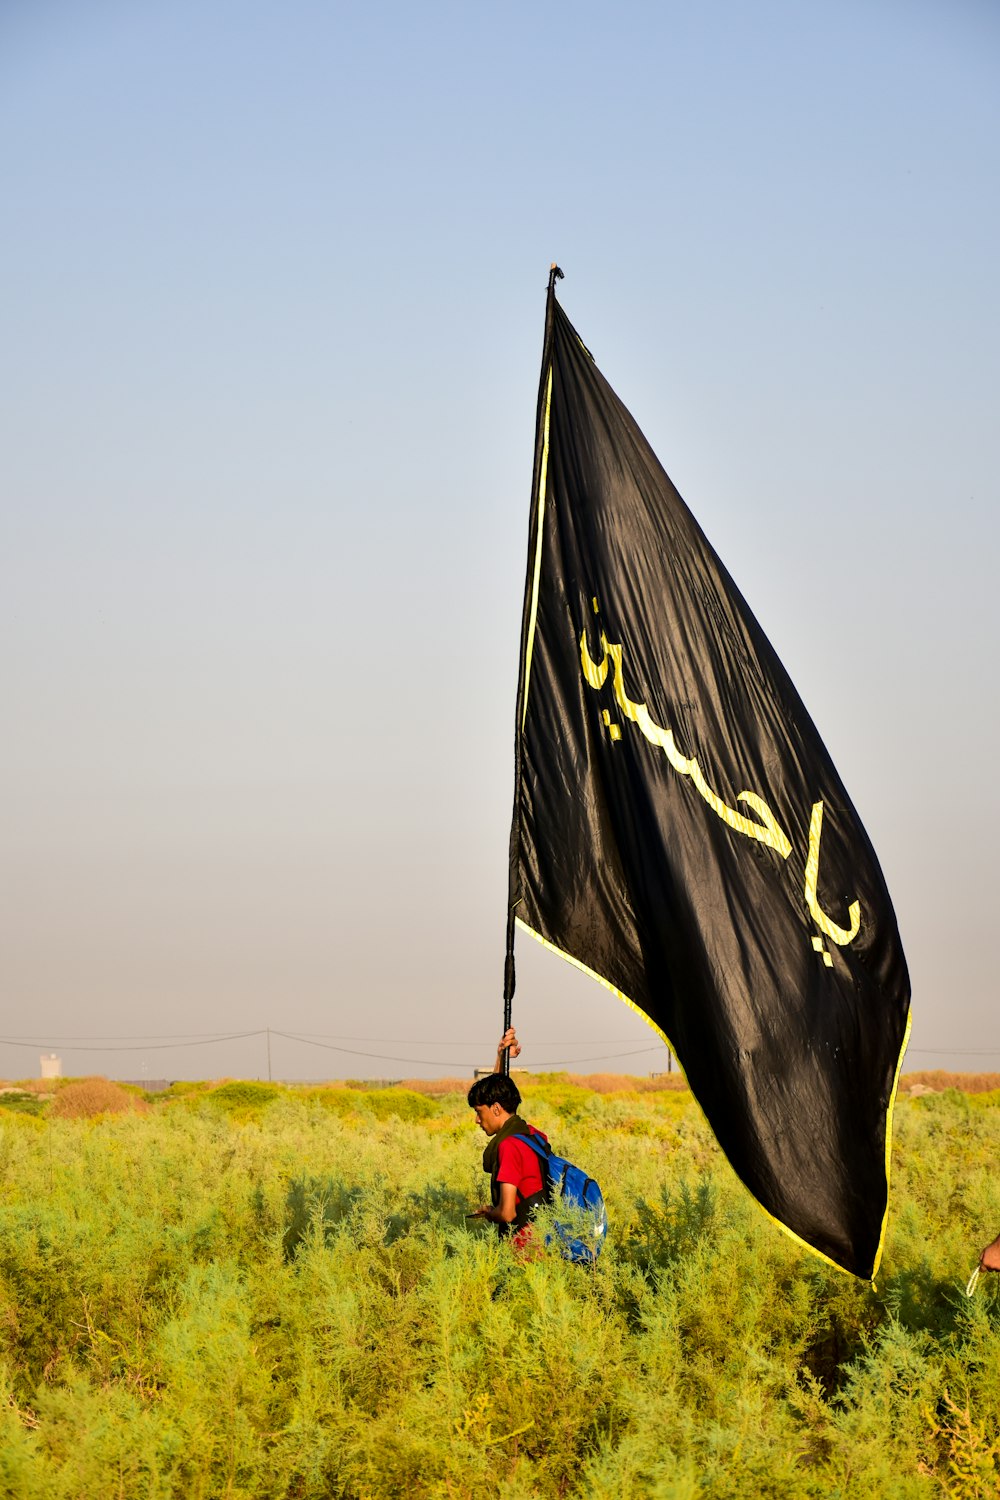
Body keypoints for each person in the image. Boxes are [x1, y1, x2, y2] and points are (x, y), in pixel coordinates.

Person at [468, 1027, 548, 1247]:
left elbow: (507, 1213)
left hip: (524, 1251)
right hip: (545, 1240)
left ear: (495, 1109)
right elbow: (498, 1093)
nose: (476, 1120)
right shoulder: (532, 1135)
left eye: (478, 1111)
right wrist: (501, 1057)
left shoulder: (509, 1147)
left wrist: (489, 1212)